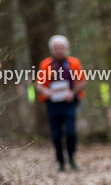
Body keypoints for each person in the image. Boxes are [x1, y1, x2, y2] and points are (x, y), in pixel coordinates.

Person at [35, 35, 86, 172]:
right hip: (52, 103)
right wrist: (45, 91)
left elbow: (82, 81)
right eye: (56, 48)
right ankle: (60, 162)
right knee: (56, 134)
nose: (59, 50)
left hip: (69, 102)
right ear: (51, 49)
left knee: (70, 132)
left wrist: (73, 92)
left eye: (61, 47)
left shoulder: (73, 63)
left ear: (66, 48)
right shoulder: (45, 64)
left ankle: (72, 157)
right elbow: (39, 84)